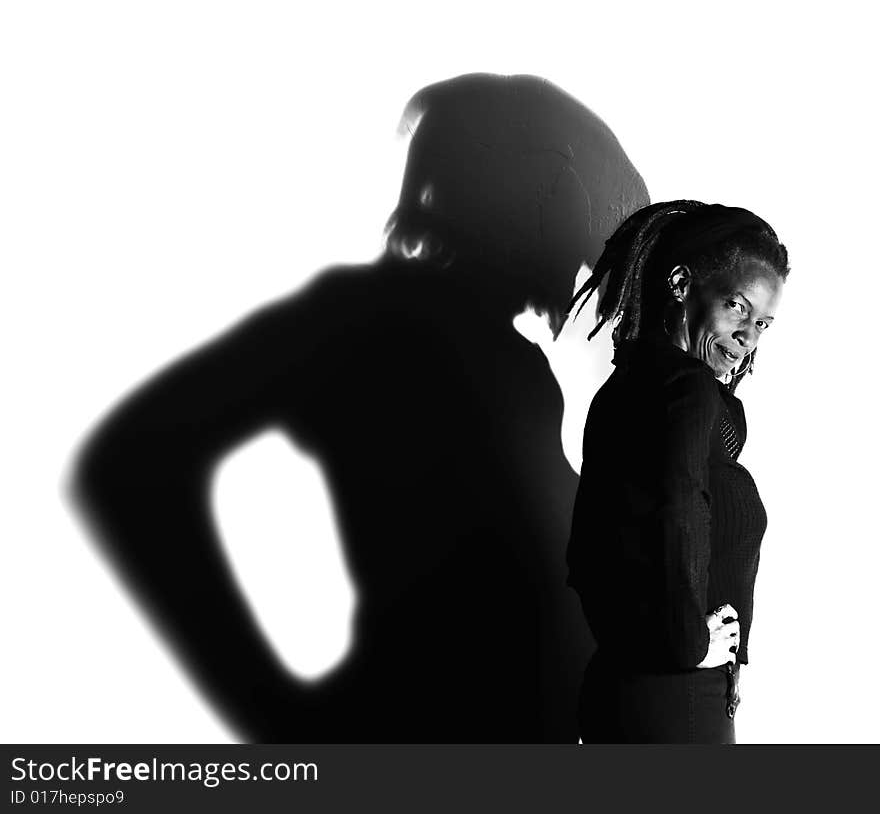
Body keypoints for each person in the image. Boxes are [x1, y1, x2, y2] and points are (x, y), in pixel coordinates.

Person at [69, 73, 648, 742]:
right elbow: (133, 460)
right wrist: (271, 709)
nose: (591, 274)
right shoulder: (374, 321)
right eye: (596, 232)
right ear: (548, 197)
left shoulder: (510, 365)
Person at [564, 200, 789, 743]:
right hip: (678, 699)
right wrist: (689, 645)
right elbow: (678, 510)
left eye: (762, 322)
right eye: (737, 307)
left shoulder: (624, 392)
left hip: (628, 690)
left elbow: (587, 552)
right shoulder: (686, 390)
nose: (748, 337)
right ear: (682, 283)